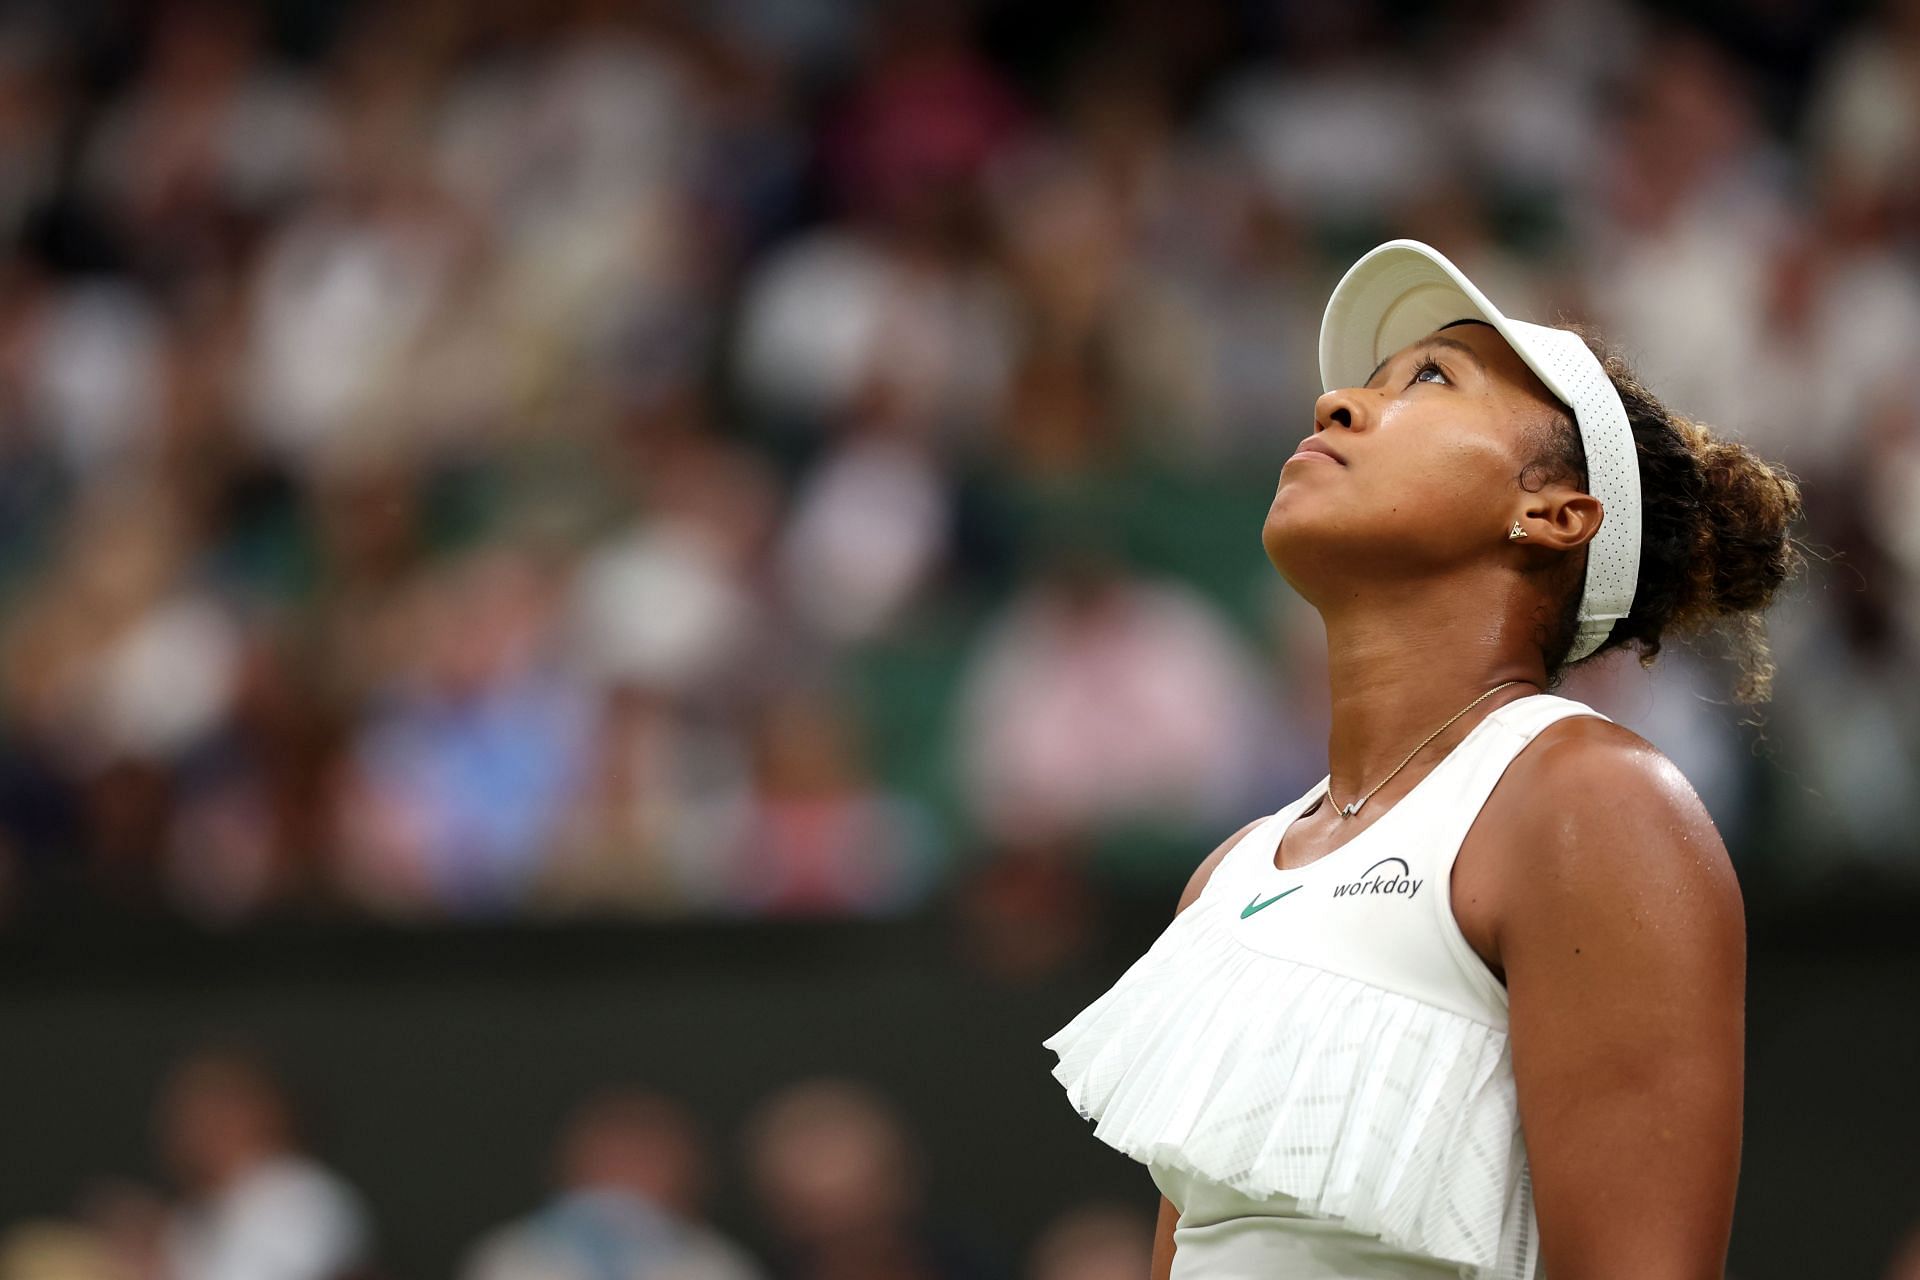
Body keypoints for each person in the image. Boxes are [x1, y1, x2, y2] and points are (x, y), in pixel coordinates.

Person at [1044, 240, 1801, 1280]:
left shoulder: (1591, 802)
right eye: (1361, 382)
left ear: (1552, 513)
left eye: (1429, 379)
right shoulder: (1222, 878)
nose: (1337, 406)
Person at [463, 1088, 761, 1280]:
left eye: (644, 1161)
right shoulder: (510, 1254)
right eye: (610, 1159)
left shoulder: (716, 1264)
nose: (623, 1178)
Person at [158, 1046, 371, 1280]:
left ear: (269, 1110)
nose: (202, 1125)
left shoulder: (306, 1195)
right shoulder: (191, 1218)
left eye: (224, 1105)